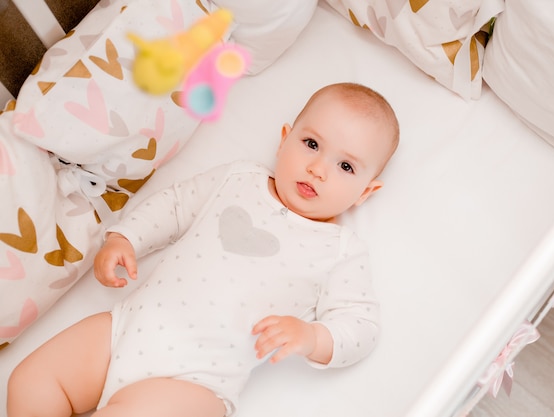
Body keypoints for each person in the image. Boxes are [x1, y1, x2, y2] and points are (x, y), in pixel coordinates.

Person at [7, 82, 399, 417]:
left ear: (366, 191)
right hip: (126, 327)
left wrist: (312, 336)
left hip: (198, 381)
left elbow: (361, 327)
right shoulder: (238, 179)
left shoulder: (339, 250)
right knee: (29, 383)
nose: (318, 168)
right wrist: (125, 238)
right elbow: (174, 206)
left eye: (346, 167)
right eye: (311, 143)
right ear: (284, 140)